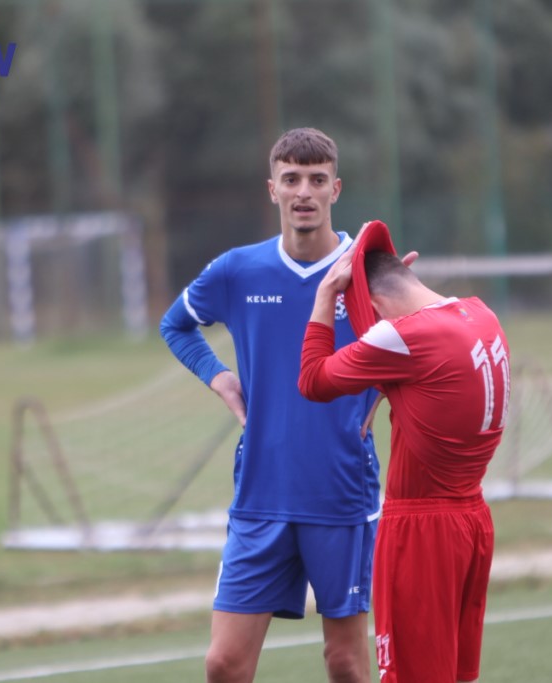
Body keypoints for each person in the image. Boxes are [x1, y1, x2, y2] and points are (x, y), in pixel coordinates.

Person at [160, 128, 382, 683]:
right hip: (261, 493)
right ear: (272, 190)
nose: (303, 191)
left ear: (336, 188)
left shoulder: (370, 273)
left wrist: (383, 393)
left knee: (346, 663)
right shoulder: (238, 270)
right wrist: (219, 377)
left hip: (341, 493)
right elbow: (176, 325)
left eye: (315, 179)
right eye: (291, 179)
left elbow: (420, 346)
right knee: (224, 664)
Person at [298, 221, 510, 683]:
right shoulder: (481, 315)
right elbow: (429, 383)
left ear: (373, 307)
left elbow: (312, 380)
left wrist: (324, 295)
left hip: (419, 531)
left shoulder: (402, 337)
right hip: (471, 520)